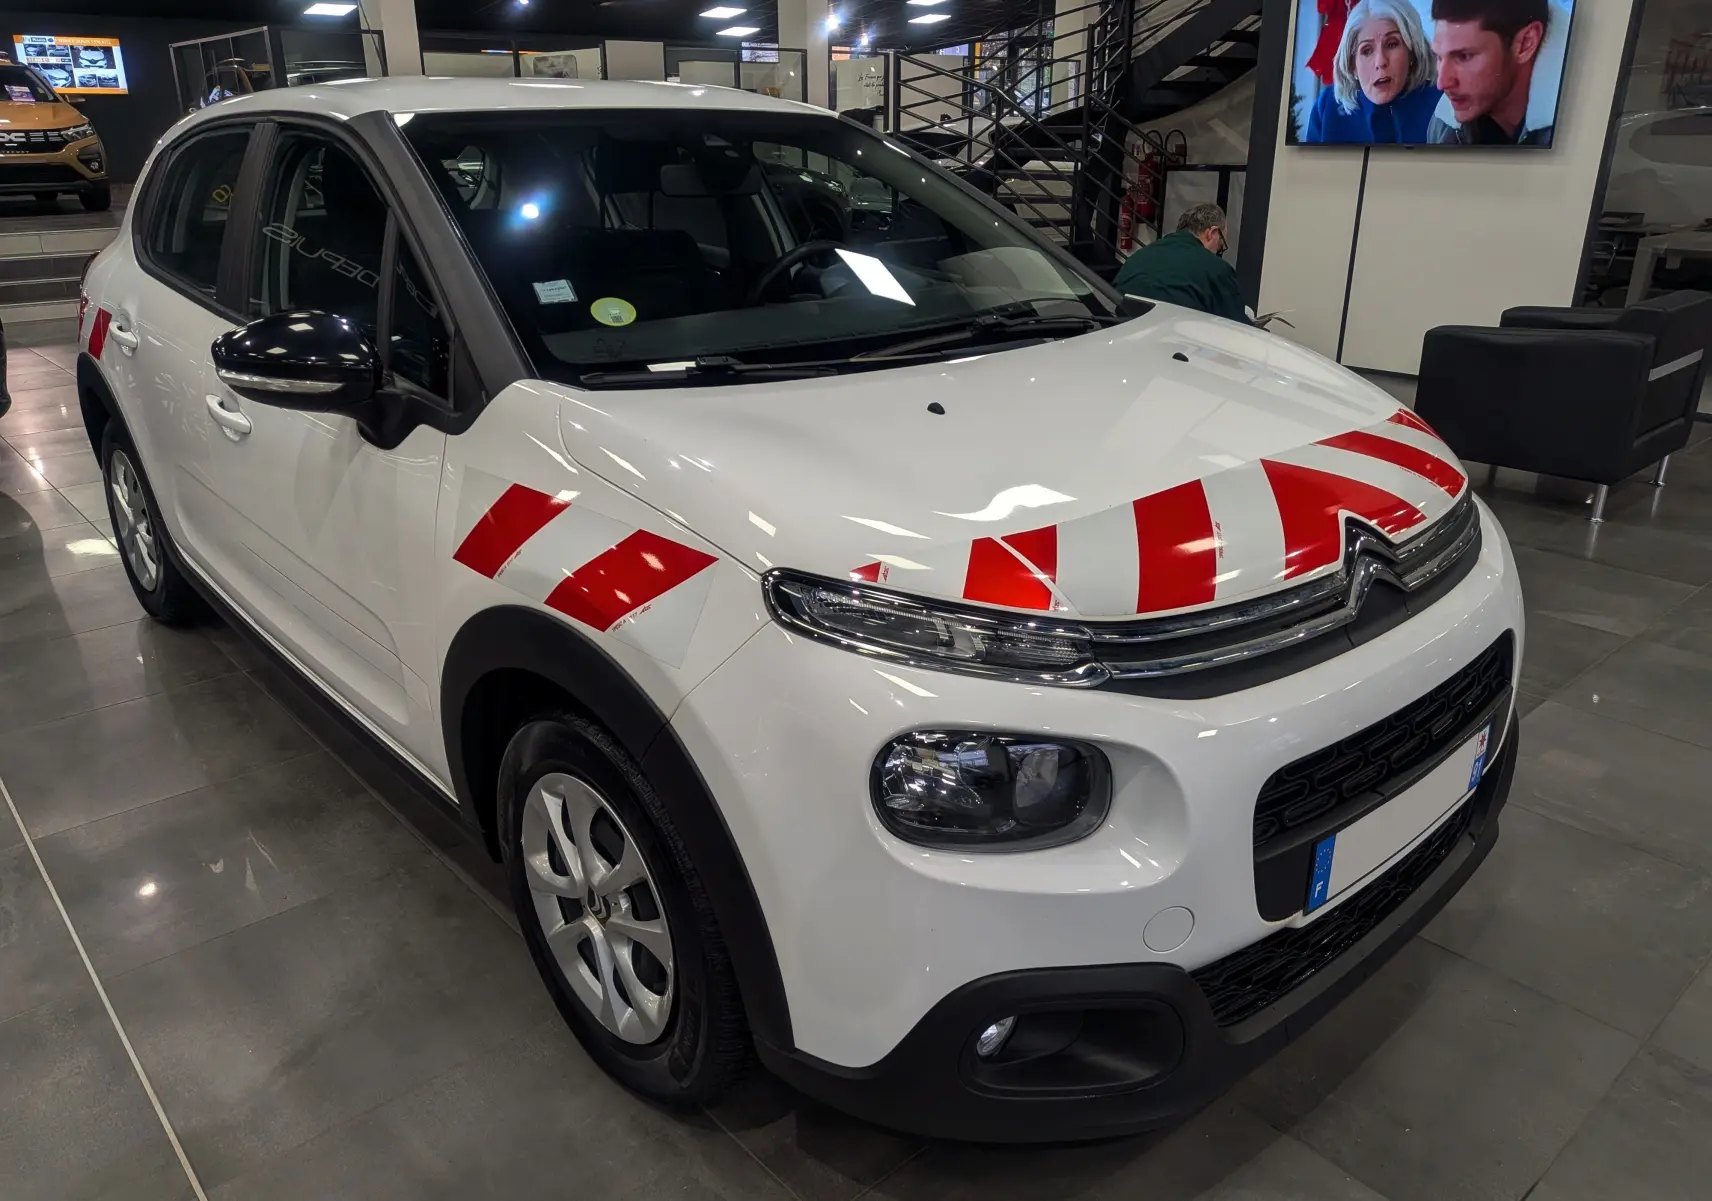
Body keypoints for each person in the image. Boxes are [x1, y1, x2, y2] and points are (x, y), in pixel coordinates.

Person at [1428, 0, 1567, 146]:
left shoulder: (1582, 127)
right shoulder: (1443, 125)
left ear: (1526, 43)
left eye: (1465, 56)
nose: (1442, 83)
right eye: (1439, 57)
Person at [1305, 0, 1443, 144]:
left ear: (1412, 51)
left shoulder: (1443, 104)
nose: (1380, 62)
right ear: (1352, 64)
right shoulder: (1327, 107)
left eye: (1392, 44)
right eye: (1367, 51)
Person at [1111, 203, 1248, 323]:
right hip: (1175, 345)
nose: (1218, 252)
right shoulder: (1217, 268)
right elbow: (1237, 325)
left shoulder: (1138, 257)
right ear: (1211, 233)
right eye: (1220, 246)